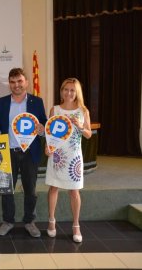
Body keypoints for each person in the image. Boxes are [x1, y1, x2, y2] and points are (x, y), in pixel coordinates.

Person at [0, 67, 47, 238]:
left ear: (26, 82)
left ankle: (29, 221)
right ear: (9, 84)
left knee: (31, 189)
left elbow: (44, 125)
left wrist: (42, 129)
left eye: (20, 81)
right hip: (8, 152)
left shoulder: (37, 102)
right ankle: (8, 221)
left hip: (30, 152)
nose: (16, 85)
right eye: (13, 82)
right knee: (7, 189)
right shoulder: (1, 103)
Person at [45, 78, 91, 243]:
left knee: (74, 191)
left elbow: (88, 134)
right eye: (66, 89)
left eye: (72, 90)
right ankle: (51, 221)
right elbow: (49, 131)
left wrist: (80, 125)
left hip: (73, 157)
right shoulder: (55, 109)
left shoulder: (83, 111)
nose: (69, 93)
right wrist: (47, 146)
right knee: (53, 188)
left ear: (77, 92)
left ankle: (76, 225)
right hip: (57, 155)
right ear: (61, 91)